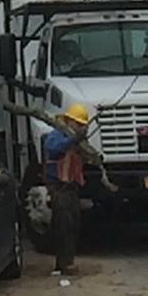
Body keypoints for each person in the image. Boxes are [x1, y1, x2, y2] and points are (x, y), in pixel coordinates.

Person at [42, 100, 94, 277]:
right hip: (58, 187)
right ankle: (63, 263)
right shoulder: (56, 135)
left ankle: (67, 261)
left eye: (82, 126)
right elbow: (54, 148)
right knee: (63, 224)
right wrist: (73, 140)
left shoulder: (78, 140)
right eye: (78, 124)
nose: (80, 128)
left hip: (71, 186)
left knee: (73, 224)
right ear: (69, 121)